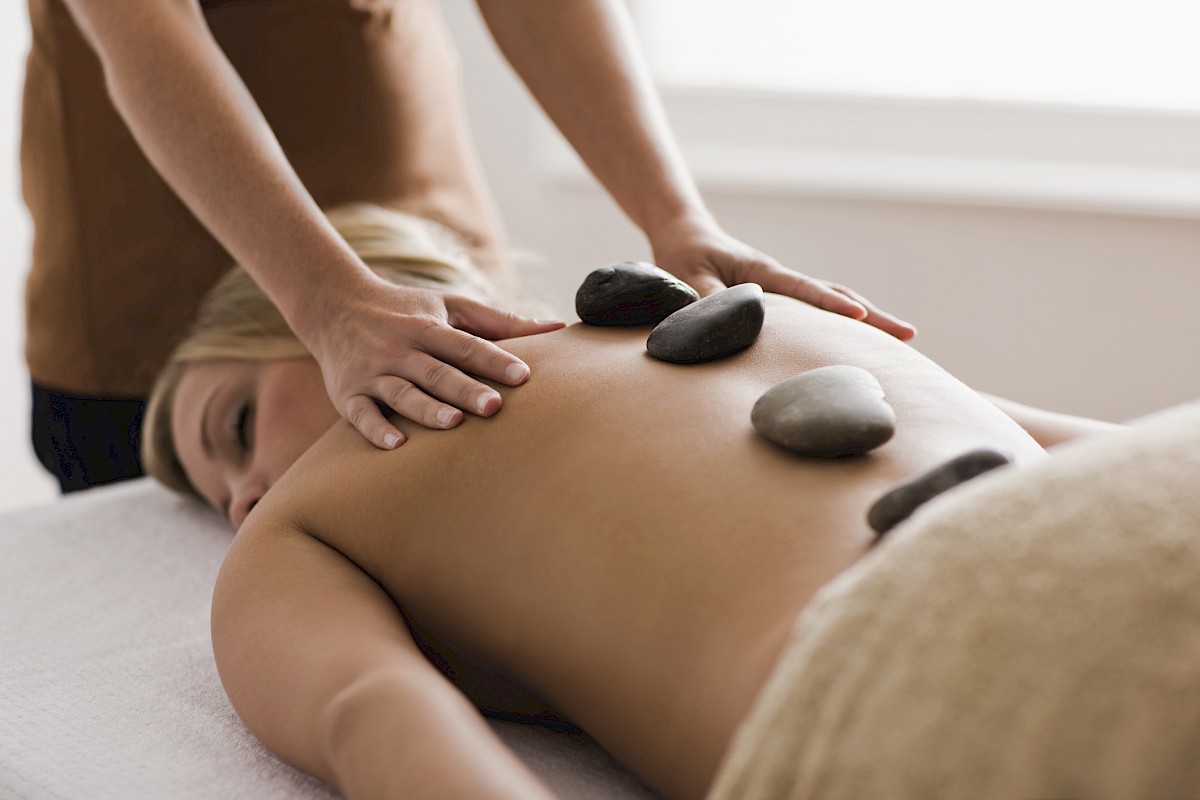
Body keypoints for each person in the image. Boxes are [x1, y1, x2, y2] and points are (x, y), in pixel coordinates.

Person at [141, 204, 1114, 800]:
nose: (245, 501)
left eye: (230, 433)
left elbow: (379, 723)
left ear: (309, 311)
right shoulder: (764, 318)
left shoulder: (310, 514)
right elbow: (1110, 454)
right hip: (1105, 560)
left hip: (895, 695)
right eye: (224, 497)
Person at [22, 0, 915, 494]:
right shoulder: (232, 439)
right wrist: (322, 298)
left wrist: (677, 221)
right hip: (156, 282)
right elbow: (144, 25)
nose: (245, 506)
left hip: (422, 254)